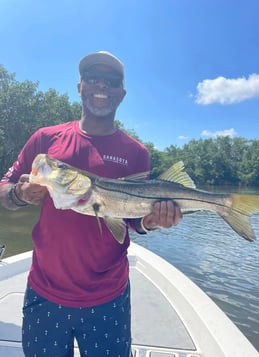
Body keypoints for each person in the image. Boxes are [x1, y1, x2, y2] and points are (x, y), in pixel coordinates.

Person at [0, 51, 182, 357]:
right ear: (79, 86)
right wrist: (19, 195)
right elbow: (4, 188)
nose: (101, 85)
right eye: (92, 78)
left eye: (110, 81)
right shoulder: (46, 139)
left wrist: (151, 221)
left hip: (108, 297)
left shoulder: (136, 152)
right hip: (45, 291)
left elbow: (132, 220)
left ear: (121, 93)